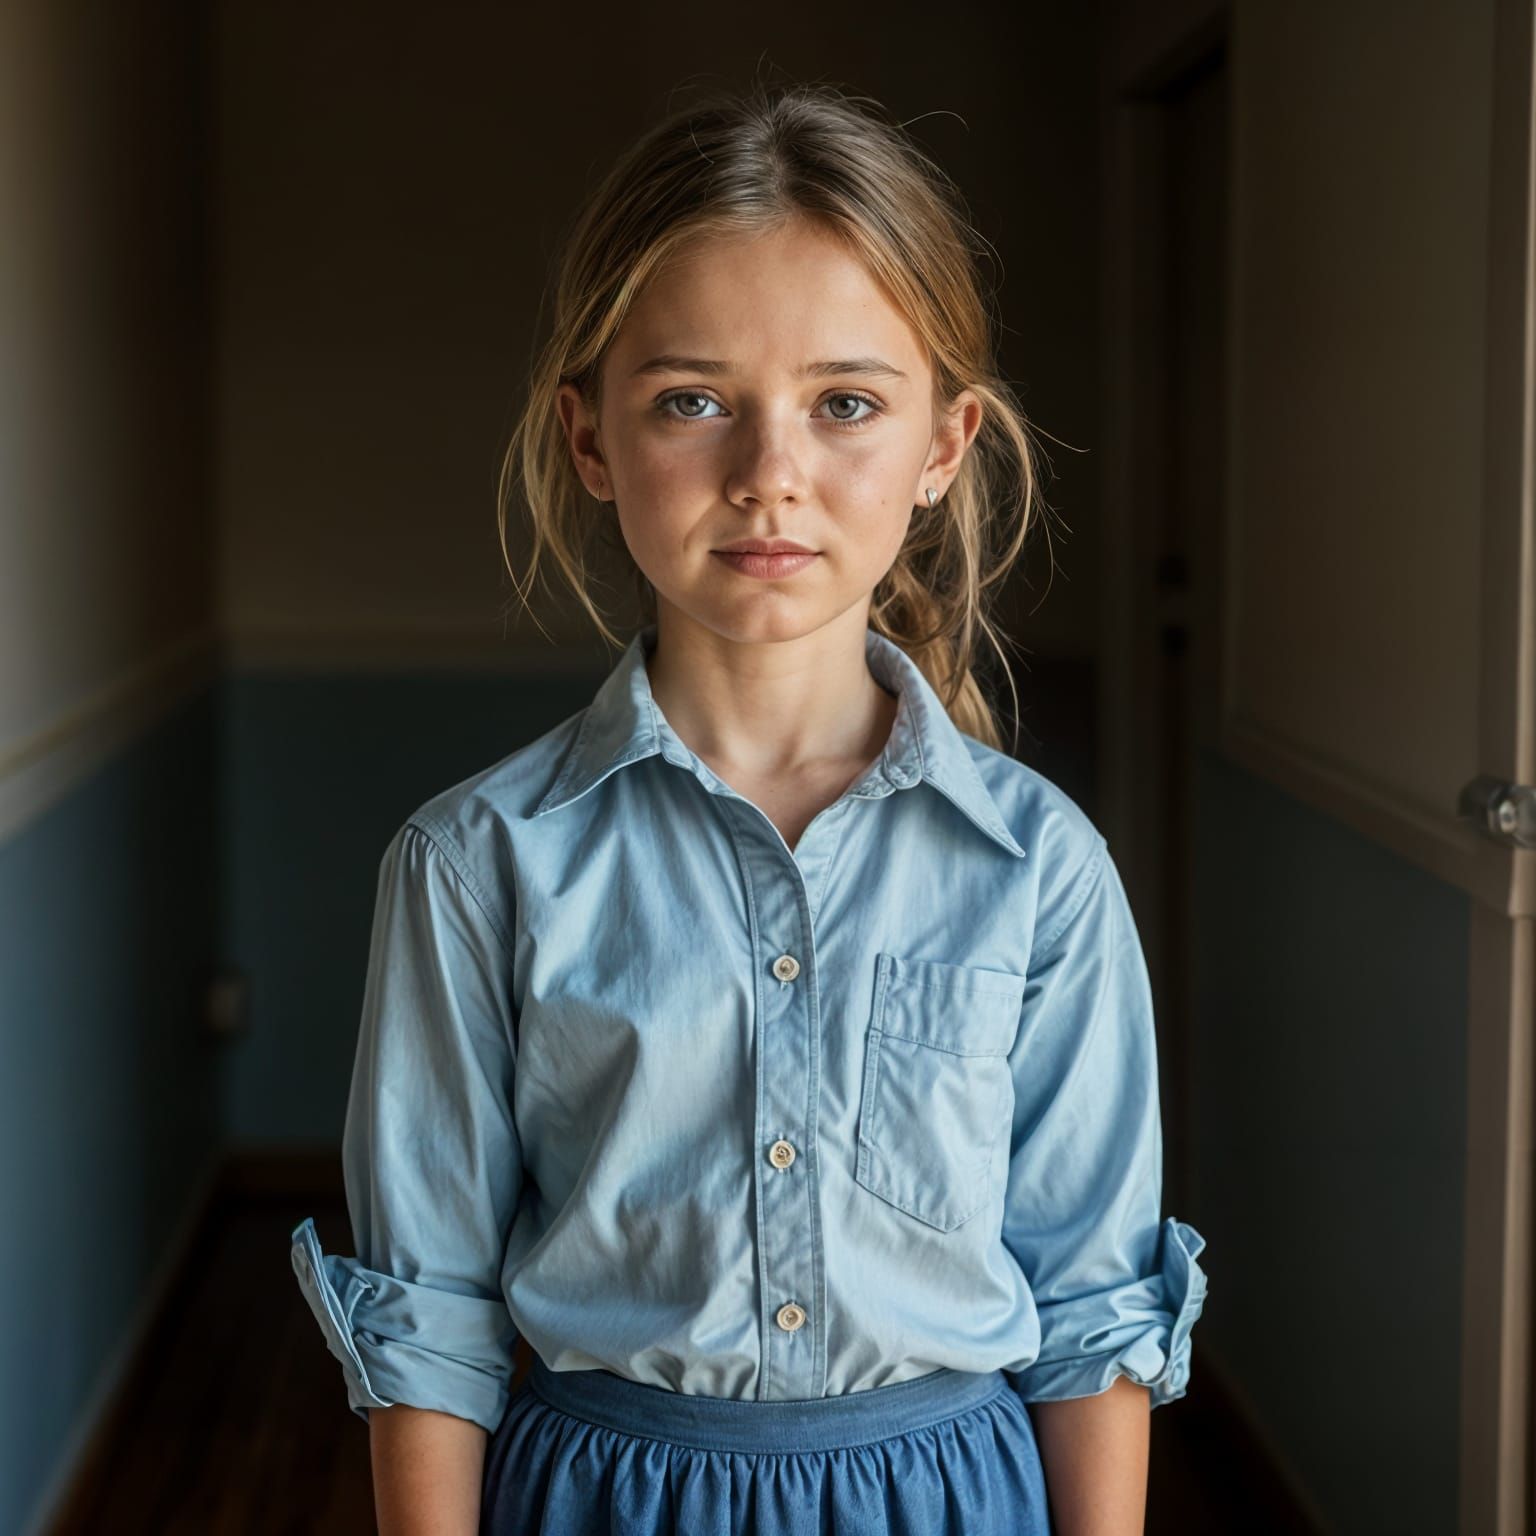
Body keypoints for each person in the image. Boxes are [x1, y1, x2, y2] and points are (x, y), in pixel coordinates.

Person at [288, 78, 1209, 1536]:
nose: (768, 475)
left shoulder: (1040, 870)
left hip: (950, 1503)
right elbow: (431, 1321)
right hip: (599, 1499)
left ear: (943, 449)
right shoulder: (478, 865)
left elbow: (1095, 1309)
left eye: (846, 404)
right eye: (691, 401)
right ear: (590, 439)